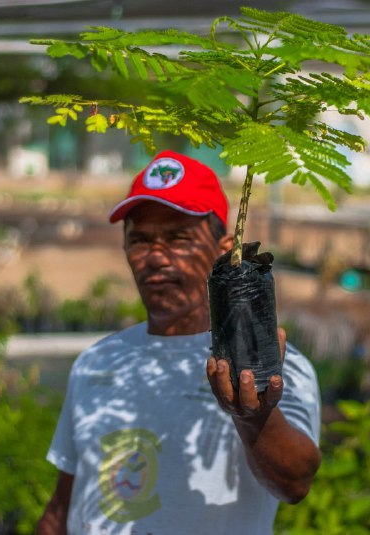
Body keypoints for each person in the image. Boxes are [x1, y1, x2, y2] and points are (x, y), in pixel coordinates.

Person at [37, 150, 322, 535]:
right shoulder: (97, 362)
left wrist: (252, 417)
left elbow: (295, 483)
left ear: (226, 251)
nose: (156, 257)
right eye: (140, 240)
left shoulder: (269, 371)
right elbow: (63, 507)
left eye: (178, 238)